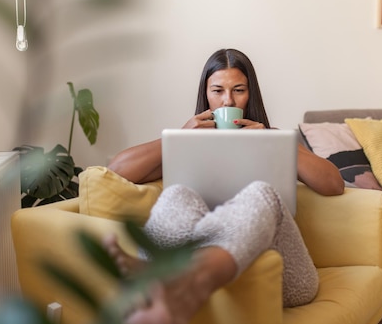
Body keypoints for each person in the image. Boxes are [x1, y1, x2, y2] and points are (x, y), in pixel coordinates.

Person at [106, 48, 344, 324]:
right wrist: (181, 137)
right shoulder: (188, 143)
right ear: (205, 94)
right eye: (217, 90)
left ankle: (177, 281)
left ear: (250, 94)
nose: (228, 100)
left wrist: (268, 141)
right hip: (199, 258)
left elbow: (333, 183)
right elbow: (116, 171)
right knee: (176, 194)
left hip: (285, 276)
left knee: (260, 193)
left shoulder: (272, 140)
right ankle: (155, 278)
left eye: (238, 90)